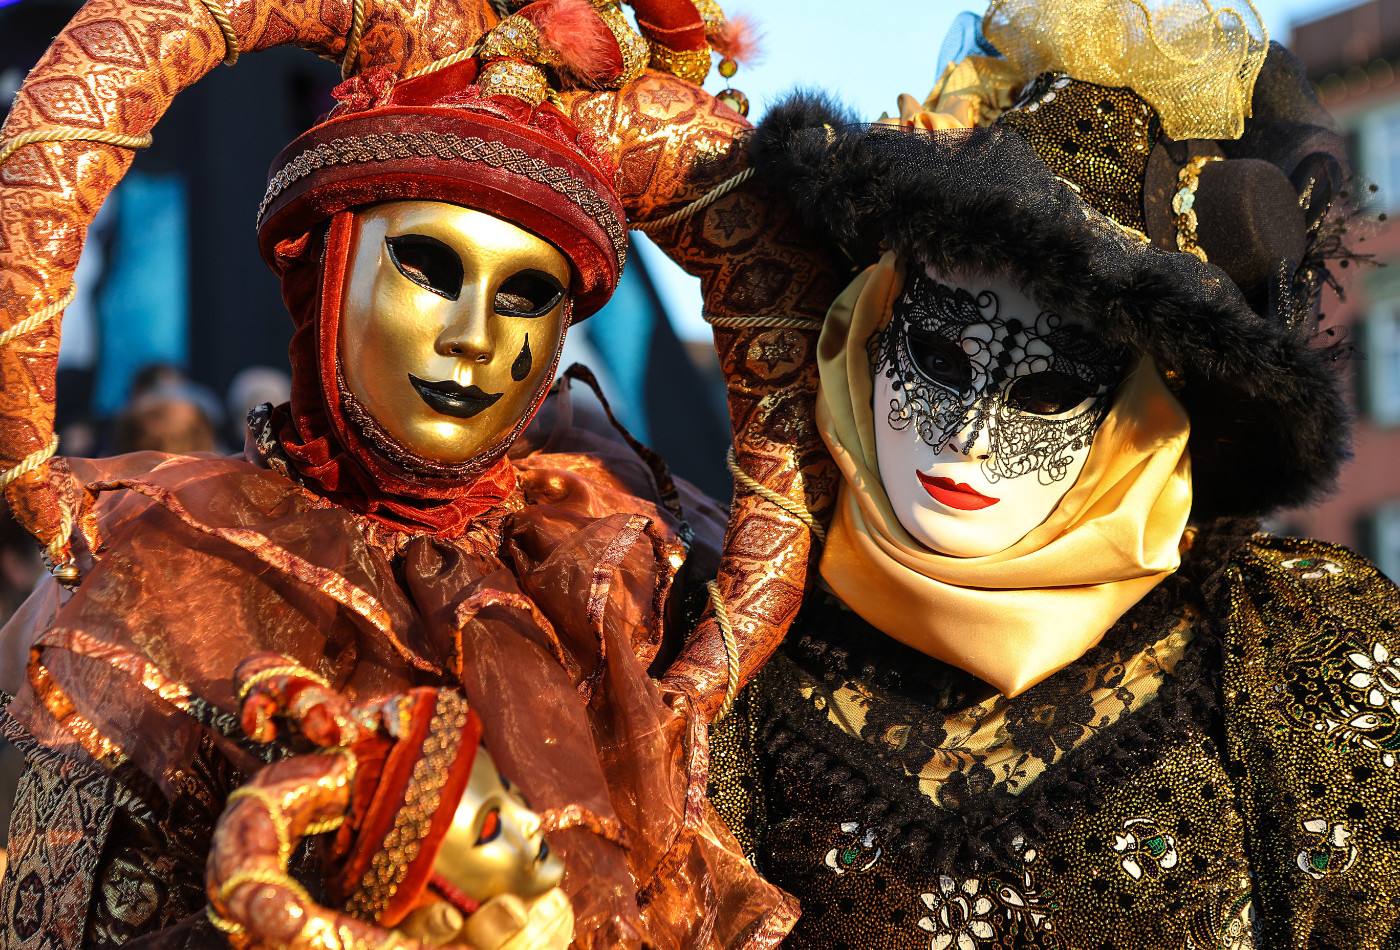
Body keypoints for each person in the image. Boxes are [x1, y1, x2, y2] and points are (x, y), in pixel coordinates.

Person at [0, 1, 799, 946]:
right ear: (324, 273)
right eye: (428, 266)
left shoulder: (628, 589)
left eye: (526, 294)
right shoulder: (163, 586)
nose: (473, 338)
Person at [663, 0, 1400, 945]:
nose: (971, 436)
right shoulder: (727, 653)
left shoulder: (1288, 647)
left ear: (1138, 416)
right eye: (938, 358)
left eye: (1049, 391)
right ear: (867, 333)